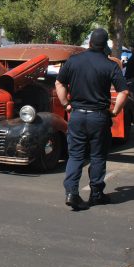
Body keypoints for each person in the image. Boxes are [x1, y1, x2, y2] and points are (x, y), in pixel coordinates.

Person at [56, 28, 128, 211]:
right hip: (99, 116)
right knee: (97, 156)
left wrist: (66, 104)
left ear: (89, 43)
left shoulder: (74, 61)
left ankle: (71, 193)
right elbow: (123, 92)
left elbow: (59, 83)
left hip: (77, 114)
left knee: (76, 155)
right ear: (105, 45)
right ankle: (96, 193)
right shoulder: (110, 65)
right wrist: (115, 110)